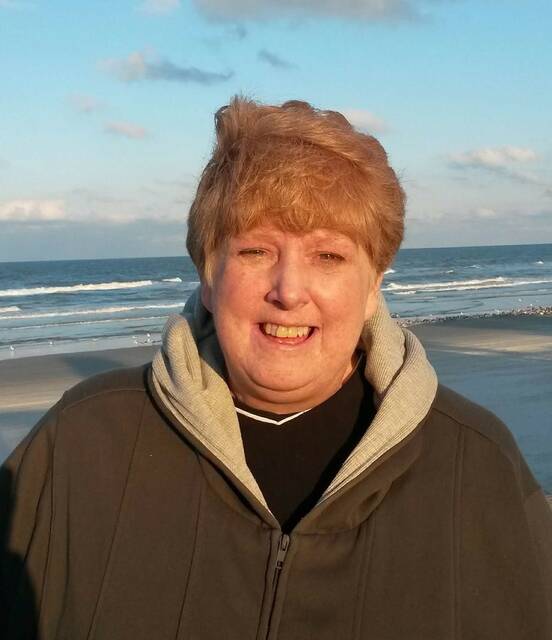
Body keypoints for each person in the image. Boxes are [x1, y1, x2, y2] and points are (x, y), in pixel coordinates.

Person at [1, 96, 551, 639]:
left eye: (328, 256)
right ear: (208, 275)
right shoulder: (82, 441)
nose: (288, 291)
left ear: (373, 287)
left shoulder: (479, 463)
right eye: (256, 251)